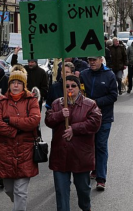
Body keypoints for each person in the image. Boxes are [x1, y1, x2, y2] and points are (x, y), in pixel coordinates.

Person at [45, 75, 102, 211]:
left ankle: (85, 207)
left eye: (73, 86)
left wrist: (74, 129)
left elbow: (95, 123)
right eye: (67, 86)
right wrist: (59, 114)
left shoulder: (90, 104)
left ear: (79, 87)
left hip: (80, 156)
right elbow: (48, 120)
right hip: (60, 155)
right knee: (61, 192)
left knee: (83, 189)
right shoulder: (57, 103)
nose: (70, 88)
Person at [0, 69, 41, 211]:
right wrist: (15, 131)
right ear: (9, 84)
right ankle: (19, 205)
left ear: (24, 84)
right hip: (6, 151)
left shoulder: (31, 100)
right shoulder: (2, 101)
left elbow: (33, 120)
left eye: (19, 82)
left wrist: (10, 120)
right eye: (13, 82)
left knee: (21, 191)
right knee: (9, 189)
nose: (16, 85)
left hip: (25, 150)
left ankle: (19, 207)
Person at [80, 56, 117, 191]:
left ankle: (101, 179)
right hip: (88, 118)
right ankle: (94, 169)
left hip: (104, 118)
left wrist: (95, 102)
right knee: (90, 145)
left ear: (101, 60)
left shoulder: (109, 75)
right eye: (90, 60)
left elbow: (113, 96)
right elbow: (80, 93)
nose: (92, 62)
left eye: (94, 59)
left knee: (101, 145)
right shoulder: (84, 74)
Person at [11, 46, 49, 111]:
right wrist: (15, 54)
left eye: (32, 62)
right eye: (29, 62)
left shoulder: (42, 72)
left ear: (36, 62)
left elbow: (45, 88)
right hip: (23, 98)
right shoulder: (24, 69)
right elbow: (14, 65)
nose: (30, 64)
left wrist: (37, 95)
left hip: (35, 100)